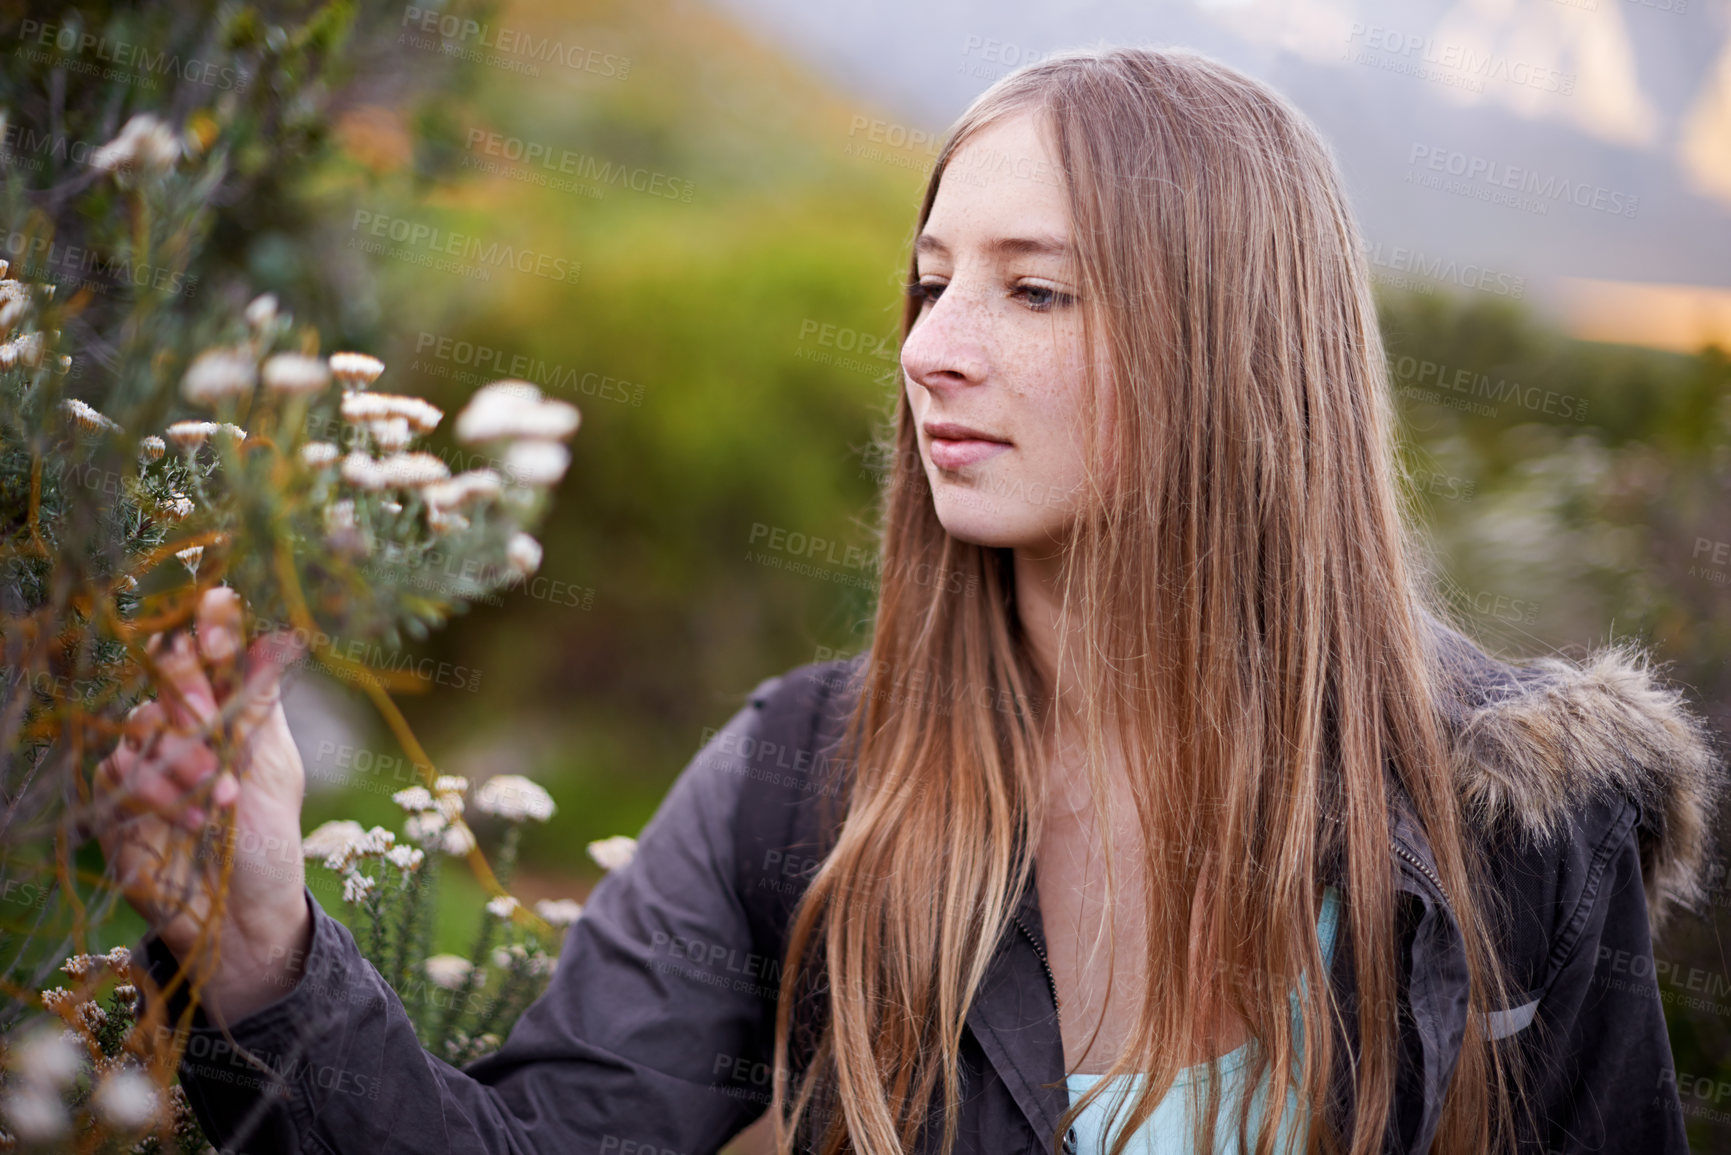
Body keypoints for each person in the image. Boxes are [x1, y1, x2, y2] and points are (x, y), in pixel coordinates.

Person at [93, 46, 1724, 1155]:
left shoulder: (1511, 815)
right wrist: (261, 947)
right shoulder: (805, 786)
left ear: (1235, 350)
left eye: (1034, 290)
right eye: (932, 282)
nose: (932, 347)